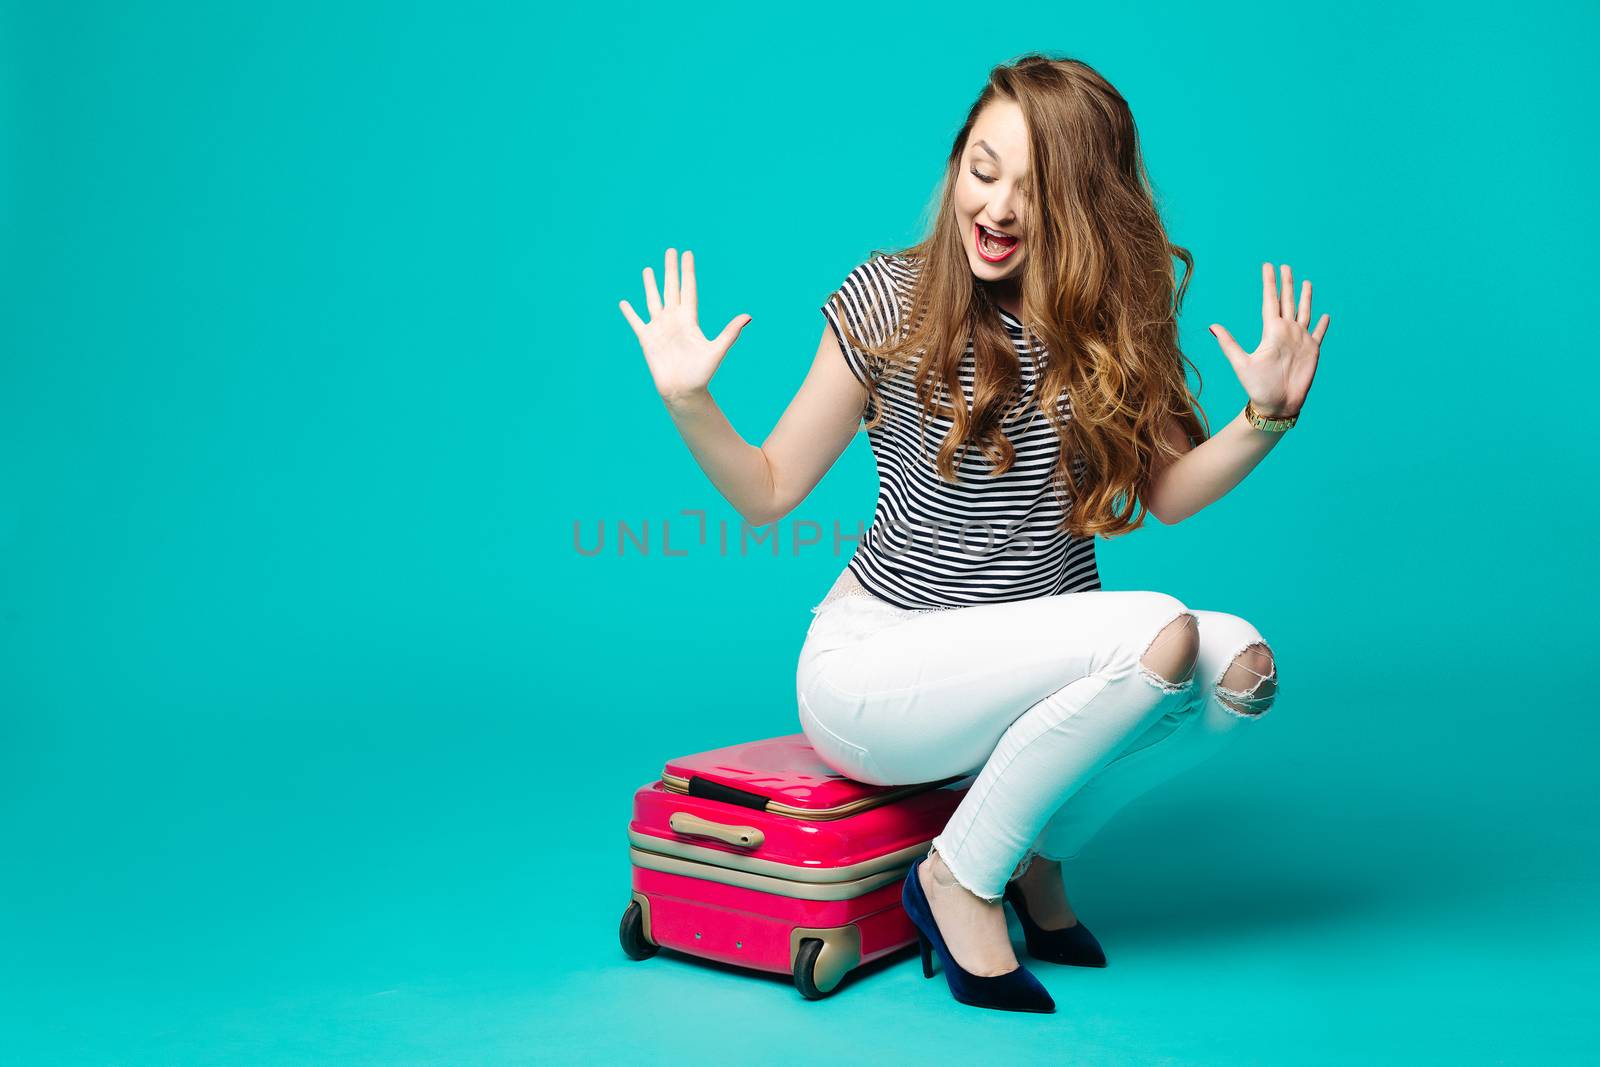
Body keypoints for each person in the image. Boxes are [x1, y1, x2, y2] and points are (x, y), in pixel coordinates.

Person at [618, 52, 1329, 1014]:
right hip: (876, 672)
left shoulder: (1109, 319)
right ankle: (958, 879)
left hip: (1038, 675)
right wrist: (691, 402)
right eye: (981, 169)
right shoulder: (887, 299)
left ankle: (1038, 853)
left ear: (1080, 207)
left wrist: (1265, 420)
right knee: (1160, 627)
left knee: (1241, 666)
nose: (994, 208)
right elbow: (770, 488)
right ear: (956, 162)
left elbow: (1167, 492)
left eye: (1031, 190)